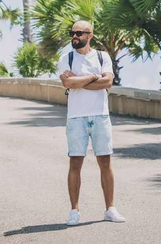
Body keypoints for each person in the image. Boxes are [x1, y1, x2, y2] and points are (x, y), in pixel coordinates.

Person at [58, 20, 126, 226]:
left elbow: (107, 83)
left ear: (90, 35)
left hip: (100, 115)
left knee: (105, 162)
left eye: (79, 33)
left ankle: (110, 209)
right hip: (76, 117)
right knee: (75, 163)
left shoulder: (102, 56)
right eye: (72, 33)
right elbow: (68, 83)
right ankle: (74, 211)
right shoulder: (66, 58)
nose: (74, 36)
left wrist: (80, 80)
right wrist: (94, 77)